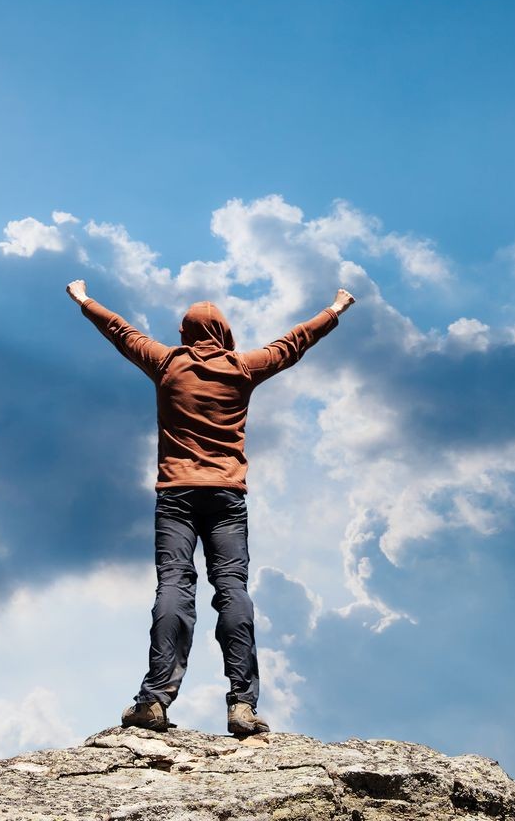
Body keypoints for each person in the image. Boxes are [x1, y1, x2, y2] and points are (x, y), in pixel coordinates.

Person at [66, 278, 354, 738]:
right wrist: (335, 308)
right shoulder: (242, 367)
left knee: (174, 588)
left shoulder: (166, 363)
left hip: (176, 495)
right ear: (225, 332)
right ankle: (242, 704)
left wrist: (84, 300)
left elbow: (120, 331)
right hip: (226, 498)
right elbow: (293, 342)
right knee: (231, 589)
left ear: (185, 333)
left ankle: (155, 700)